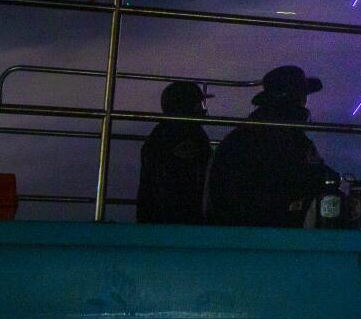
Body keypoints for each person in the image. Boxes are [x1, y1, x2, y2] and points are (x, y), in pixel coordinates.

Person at [204, 66, 332, 226]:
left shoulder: (248, 134)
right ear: (299, 99)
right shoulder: (282, 136)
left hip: (236, 225)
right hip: (260, 227)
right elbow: (306, 176)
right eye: (303, 97)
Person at [137, 81, 212, 224]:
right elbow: (184, 186)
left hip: (157, 220)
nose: (204, 109)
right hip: (176, 223)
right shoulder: (187, 135)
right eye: (199, 104)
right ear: (188, 106)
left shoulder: (163, 133)